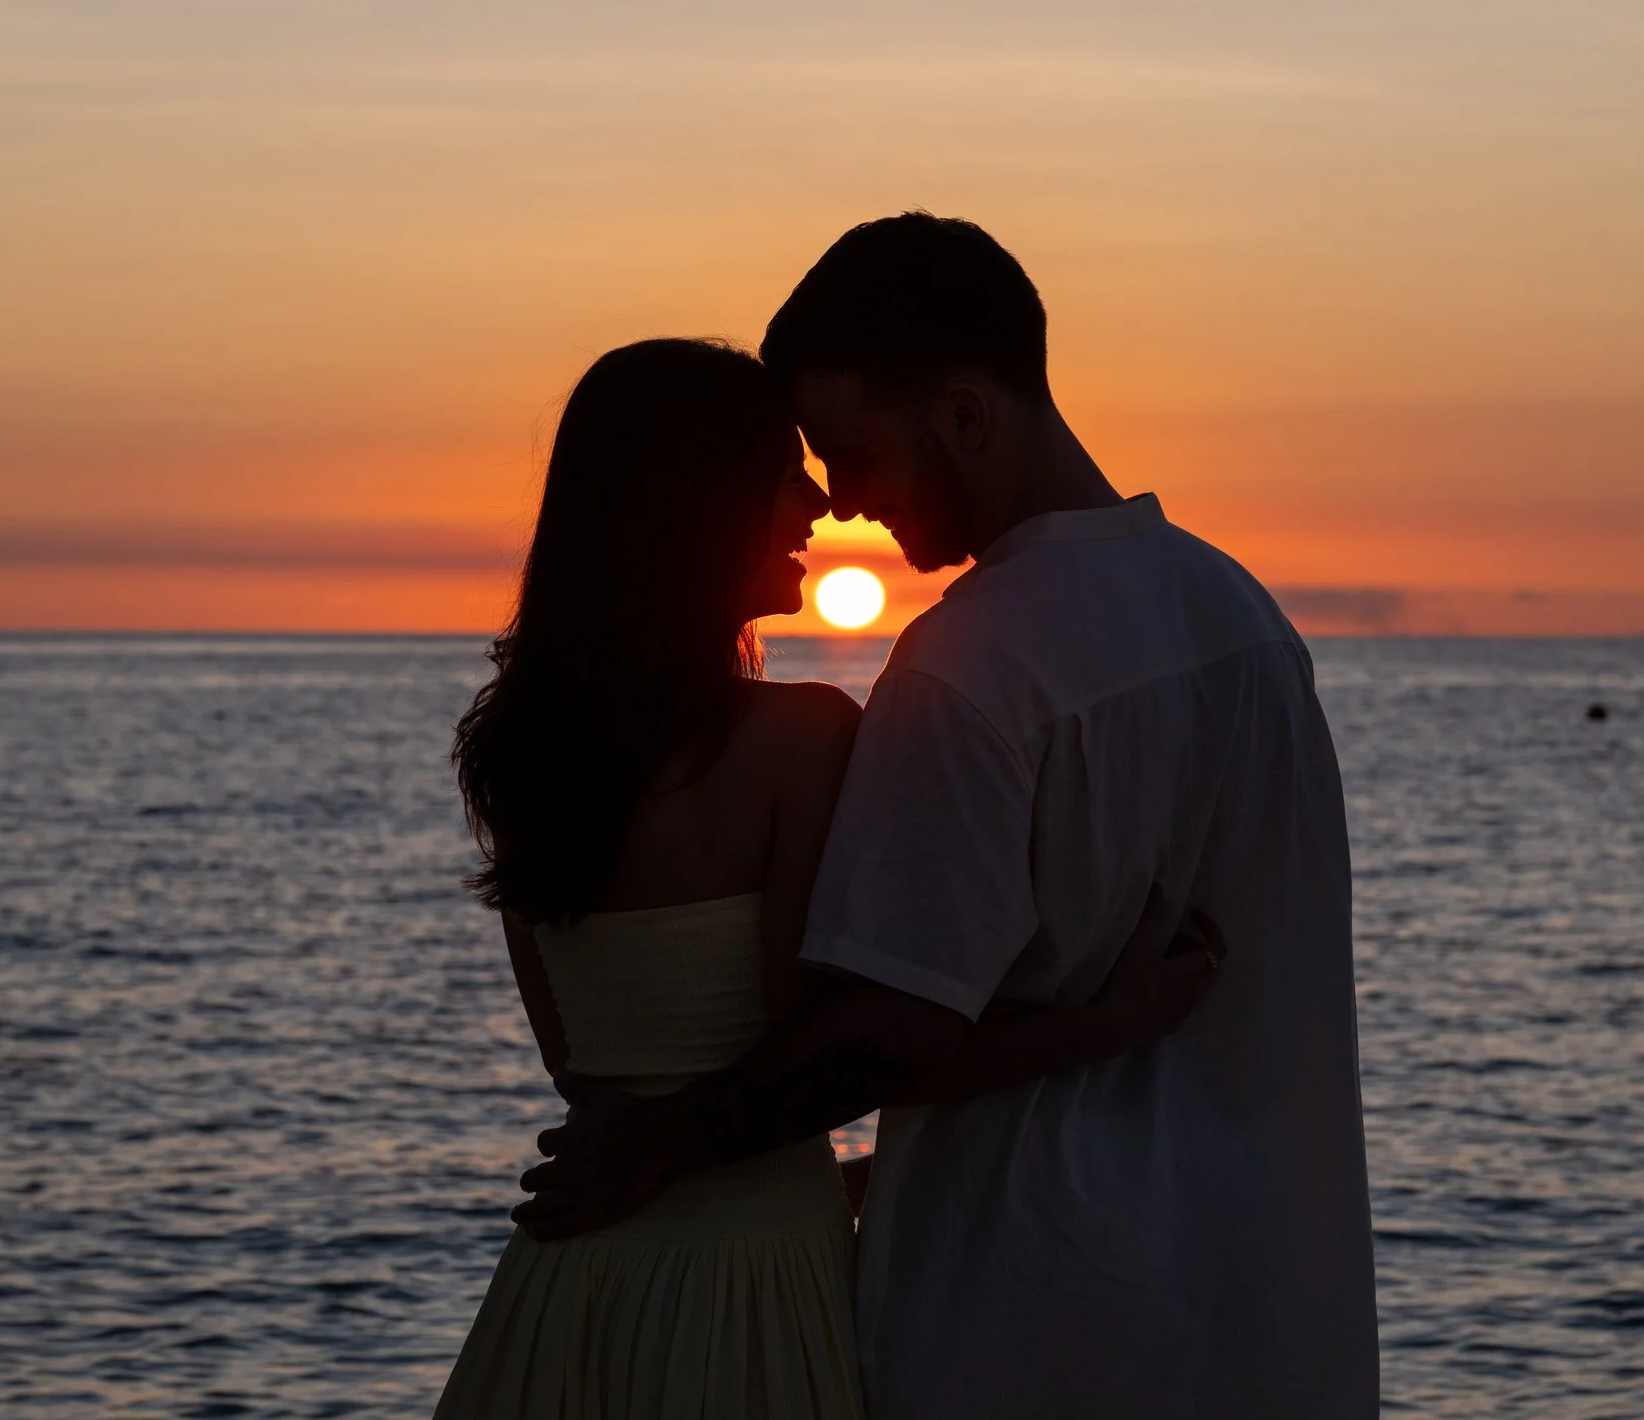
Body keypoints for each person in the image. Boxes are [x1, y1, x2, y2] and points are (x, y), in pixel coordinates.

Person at [515, 218, 1381, 1417]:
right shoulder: (1244, 622)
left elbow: (887, 1027)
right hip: (1272, 1312)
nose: (845, 503)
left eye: (853, 453)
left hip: (1028, 1319)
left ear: (965, 416)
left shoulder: (968, 664)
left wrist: (660, 1144)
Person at [431, 337, 1223, 1420]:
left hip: (567, 1283)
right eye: (780, 466)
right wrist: (1115, 1017)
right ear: (697, 500)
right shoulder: (798, 739)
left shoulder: (516, 754)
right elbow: (859, 1048)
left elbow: (593, 1077)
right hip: (745, 1296)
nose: (817, 501)